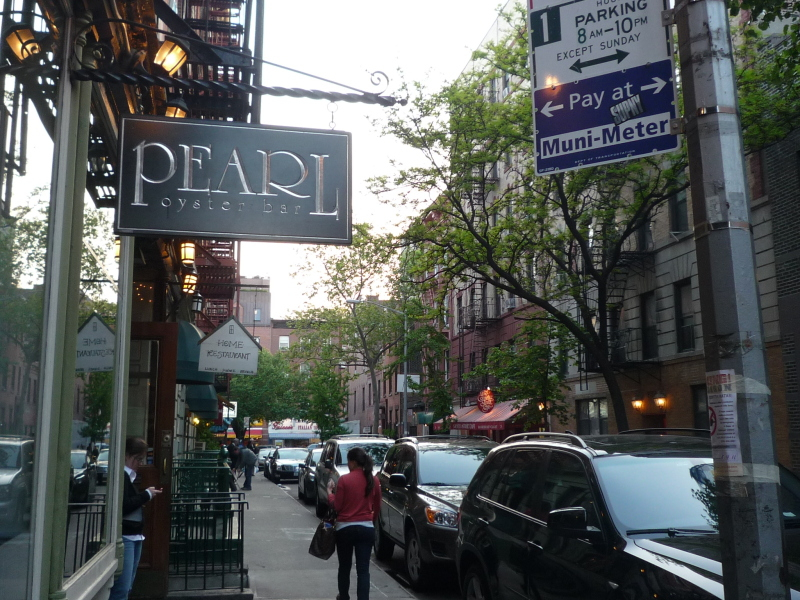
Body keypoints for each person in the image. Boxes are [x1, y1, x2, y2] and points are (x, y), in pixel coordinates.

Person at [108, 437, 162, 600]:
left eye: (141, 459)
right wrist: (146, 495)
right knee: (122, 588)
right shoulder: (123, 476)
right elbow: (124, 506)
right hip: (127, 535)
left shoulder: (127, 476)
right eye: (137, 459)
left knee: (126, 586)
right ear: (126, 455)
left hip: (133, 535)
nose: (139, 463)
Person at [326, 447, 381, 600]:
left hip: (345, 528)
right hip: (366, 528)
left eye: (348, 461)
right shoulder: (374, 480)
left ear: (353, 462)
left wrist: (330, 493)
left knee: (344, 566)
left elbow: (337, 506)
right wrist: (371, 521)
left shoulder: (344, 480)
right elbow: (377, 506)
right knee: (363, 570)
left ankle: (344, 596)